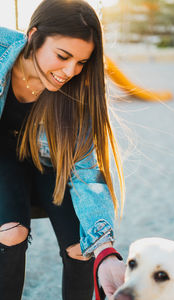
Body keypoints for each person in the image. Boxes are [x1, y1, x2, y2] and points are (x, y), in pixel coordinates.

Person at [0, 0, 126, 299]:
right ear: (33, 36)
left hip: (52, 165)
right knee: (11, 233)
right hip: (4, 162)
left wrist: (105, 250)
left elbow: (86, 173)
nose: (70, 71)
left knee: (81, 249)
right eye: (63, 55)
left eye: (82, 62)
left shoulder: (77, 95)